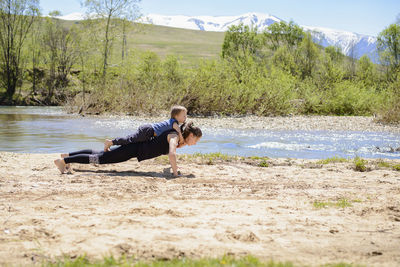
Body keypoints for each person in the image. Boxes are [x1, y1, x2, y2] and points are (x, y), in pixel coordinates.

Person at [54, 122, 202, 177]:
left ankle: (68, 155)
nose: (195, 143)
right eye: (195, 140)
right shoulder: (174, 137)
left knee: (101, 153)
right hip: (133, 149)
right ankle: (64, 161)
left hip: (135, 148)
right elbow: (171, 154)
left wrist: (169, 169)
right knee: (101, 159)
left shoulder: (177, 137)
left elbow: (171, 153)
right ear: (190, 135)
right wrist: (175, 173)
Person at [104, 105, 187, 152]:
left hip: (148, 131)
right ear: (176, 116)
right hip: (148, 130)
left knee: (132, 141)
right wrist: (182, 140)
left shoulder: (172, 122)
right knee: (130, 139)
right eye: (184, 116)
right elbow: (178, 131)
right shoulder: (174, 123)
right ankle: (111, 142)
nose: (185, 117)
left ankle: (113, 145)